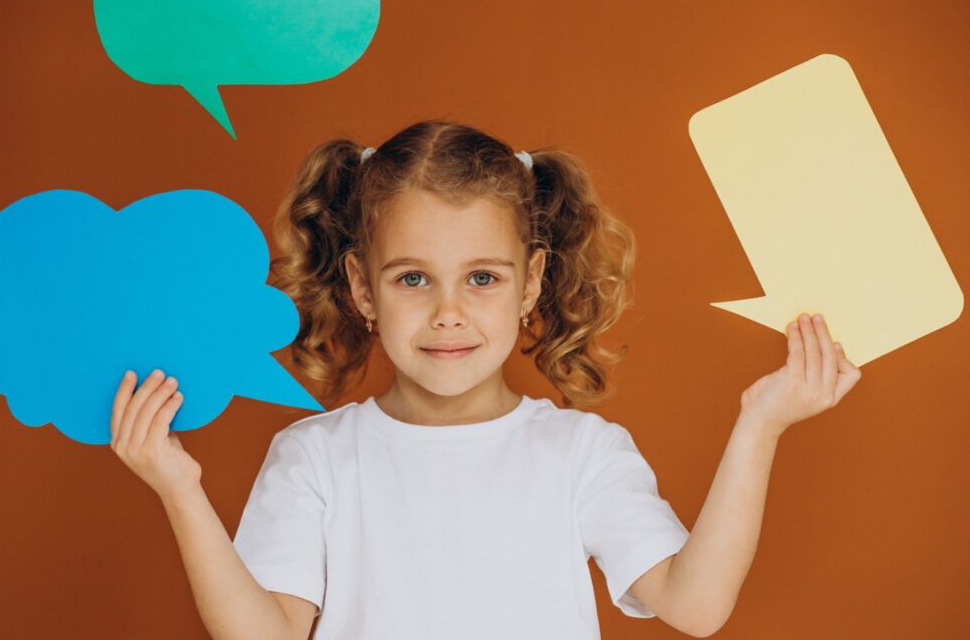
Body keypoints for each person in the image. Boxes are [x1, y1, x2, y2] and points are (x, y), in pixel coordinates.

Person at [108, 119, 862, 640]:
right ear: (363, 289)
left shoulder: (582, 453)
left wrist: (761, 421)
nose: (448, 312)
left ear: (530, 283)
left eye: (481, 277)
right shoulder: (316, 457)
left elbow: (695, 606)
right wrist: (180, 488)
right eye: (412, 278)